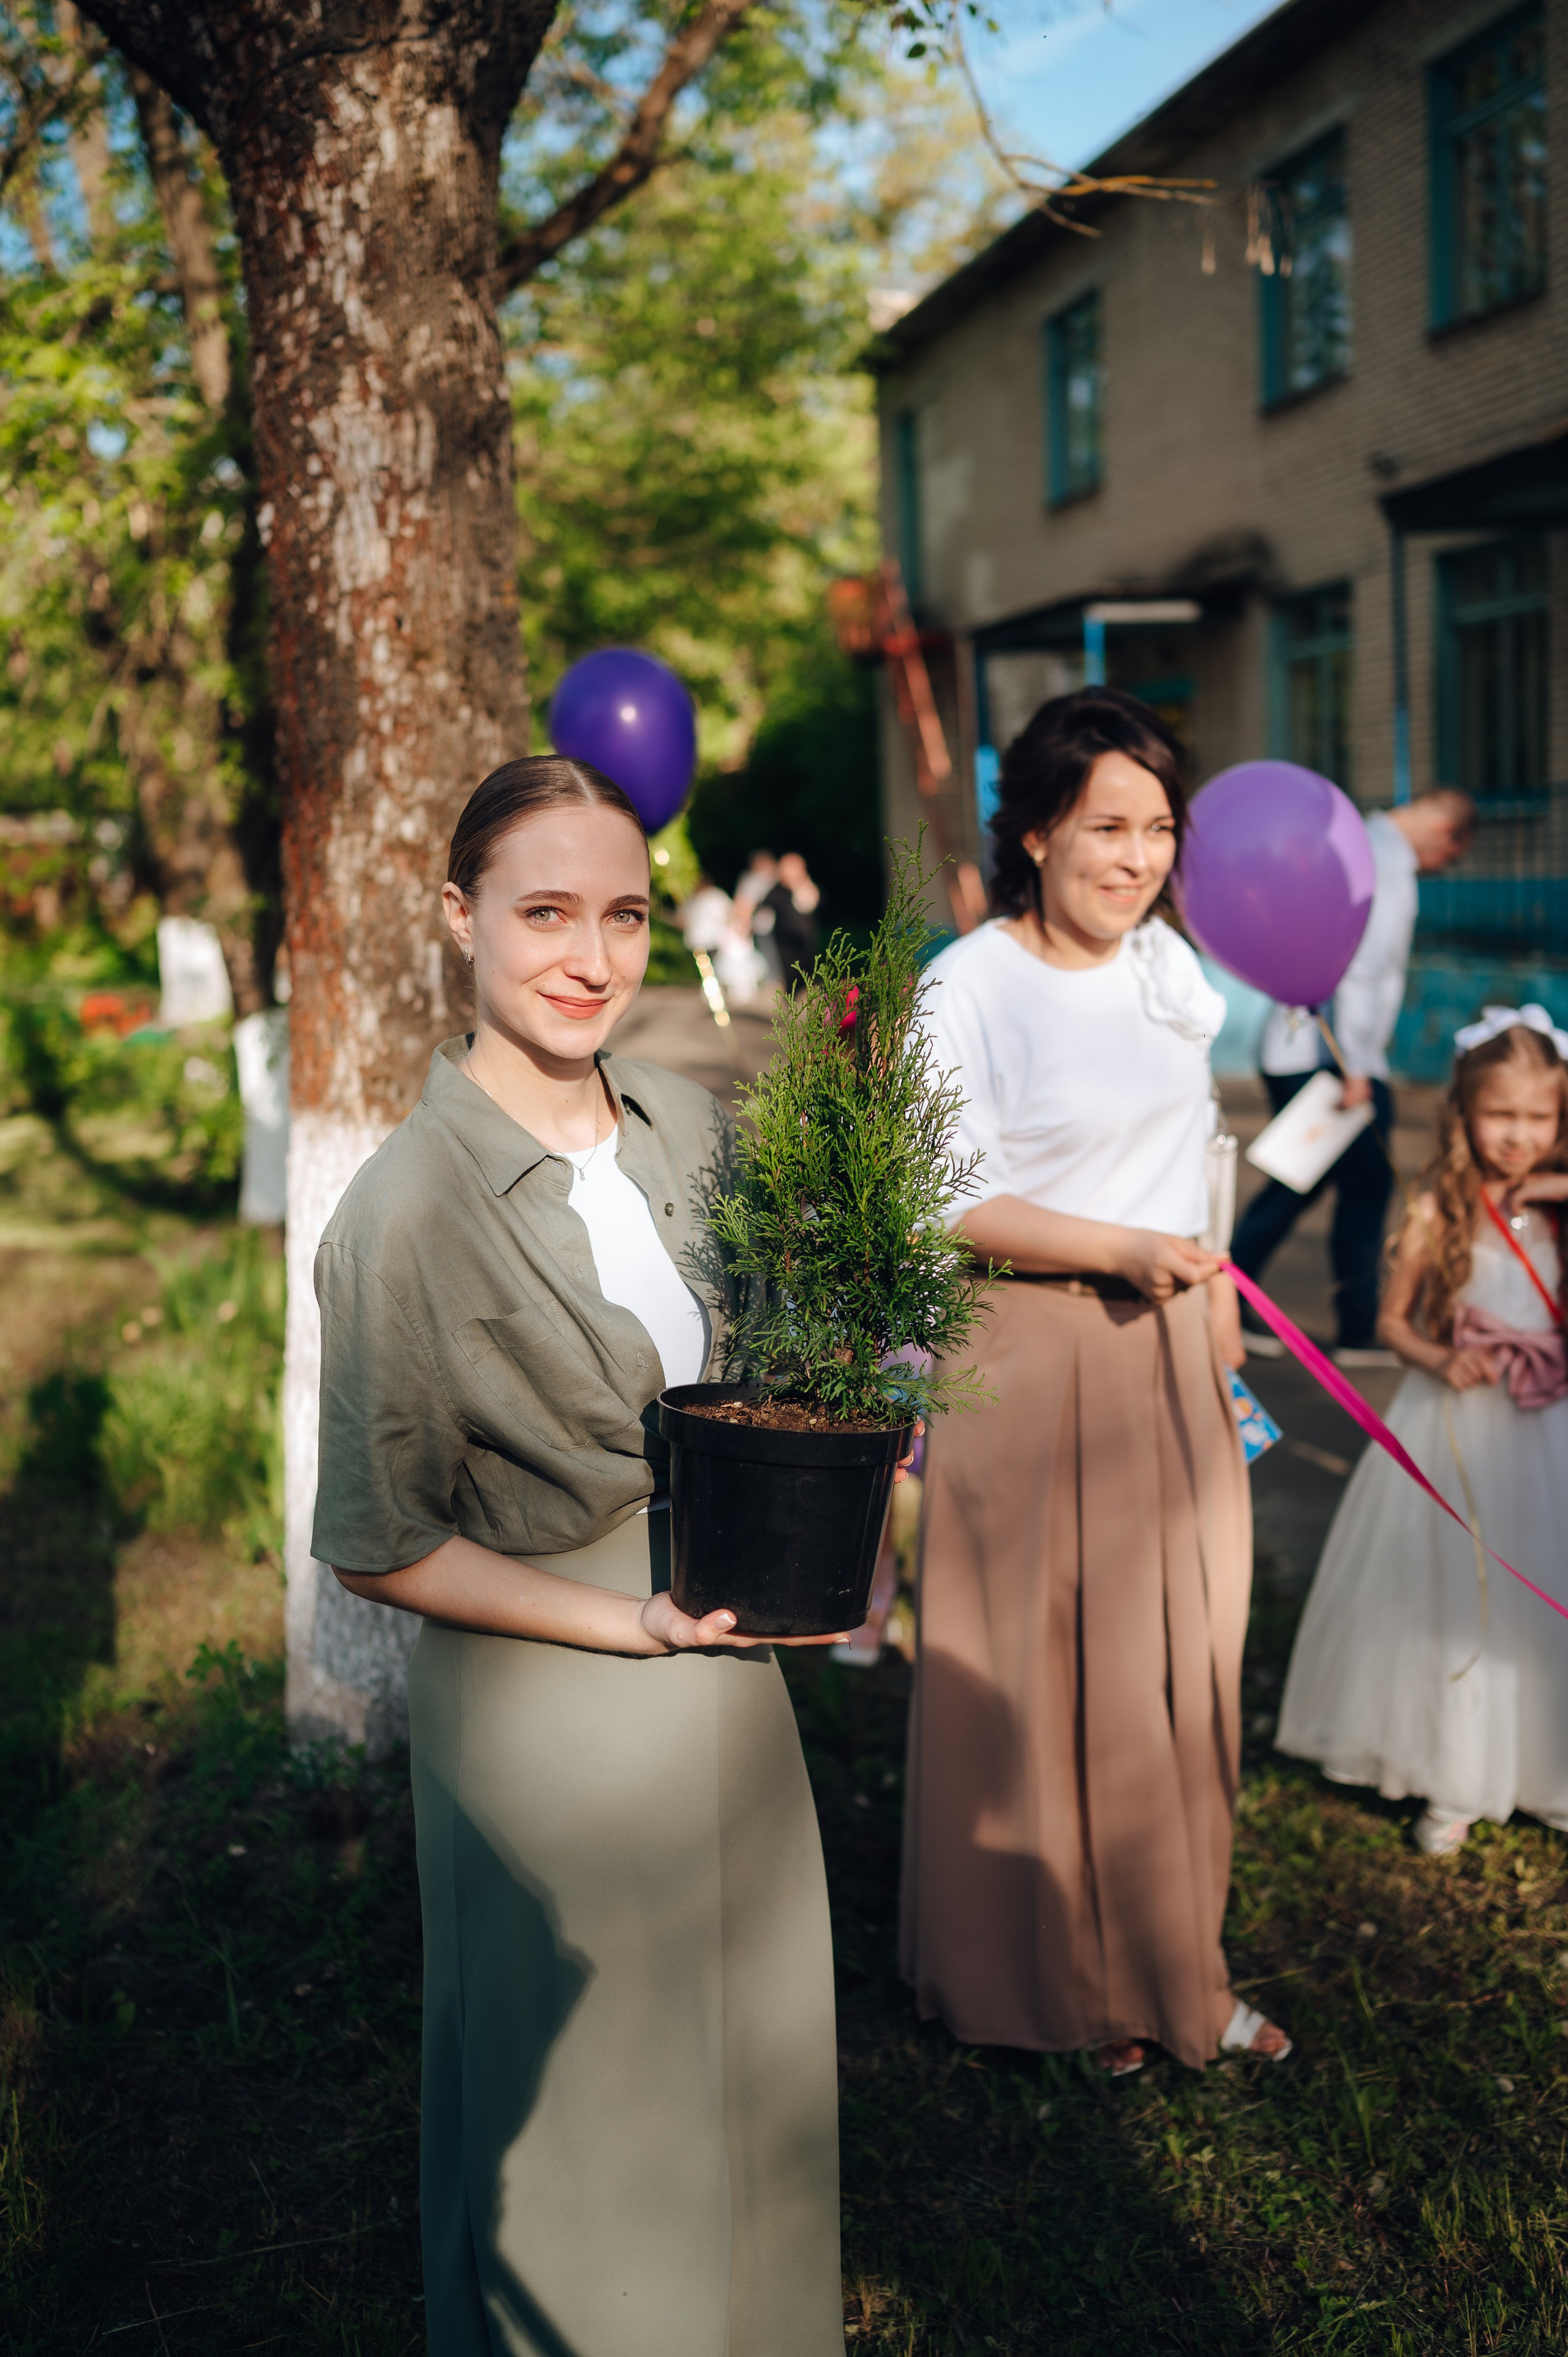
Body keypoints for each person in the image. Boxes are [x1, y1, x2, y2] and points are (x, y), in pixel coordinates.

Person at [314, 757, 851, 2357]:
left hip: (724, 1664)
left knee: (750, 2071)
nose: (593, 957)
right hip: (553, 1700)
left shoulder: (686, 1117)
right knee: (598, 2135)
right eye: (545, 912)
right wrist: (627, 1629)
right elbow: (376, 1549)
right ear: (456, 914)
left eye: (623, 914)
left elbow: (753, 1367)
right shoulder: (404, 1210)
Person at [901, 687, 1291, 2076]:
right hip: (1026, 1349)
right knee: (1033, 1680)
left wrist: (1215, 1298)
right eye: (1105, 827)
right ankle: (1045, 1979)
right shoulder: (968, 987)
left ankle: (1166, 1962)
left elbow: (1194, 1146)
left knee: (1176, 1670)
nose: (1136, 857)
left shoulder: (1164, 969)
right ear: (1033, 833)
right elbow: (934, 1200)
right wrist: (1118, 1246)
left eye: (1158, 828)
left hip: (1174, 1348)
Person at [1276, 1007, 1568, 1857]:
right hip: (1461, 1427)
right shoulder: (1442, 1206)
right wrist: (1440, 1362)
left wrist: (1550, 1189)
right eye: (1500, 1116)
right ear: (1464, 1115)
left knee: (1544, 1588)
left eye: (1539, 1119)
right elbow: (1390, 1322)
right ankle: (1455, 1770)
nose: (1518, 1137)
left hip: (1548, 1424)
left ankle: (1548, 1766)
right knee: (1457, 1595)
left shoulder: (1556, 1211)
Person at [1233, 788, 1475, 1365]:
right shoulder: (1386, 865)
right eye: (1449, 859)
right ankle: (1336, 1322)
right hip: (1332, 1056)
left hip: (1304, 1046)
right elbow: (1361, 970)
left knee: (1320, 1180)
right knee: (1326, 1183)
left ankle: (1350, 1323)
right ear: (1446, 832)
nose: (1438, 869)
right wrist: (1359, 1067)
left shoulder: (1352, 844)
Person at [761, 851, 823, 992]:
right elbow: (765, 911)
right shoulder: (777, 891)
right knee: (790, 971)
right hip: (785, 940)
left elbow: (810, 903)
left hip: (805, 938)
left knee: (808, 967)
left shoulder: (806, 887)